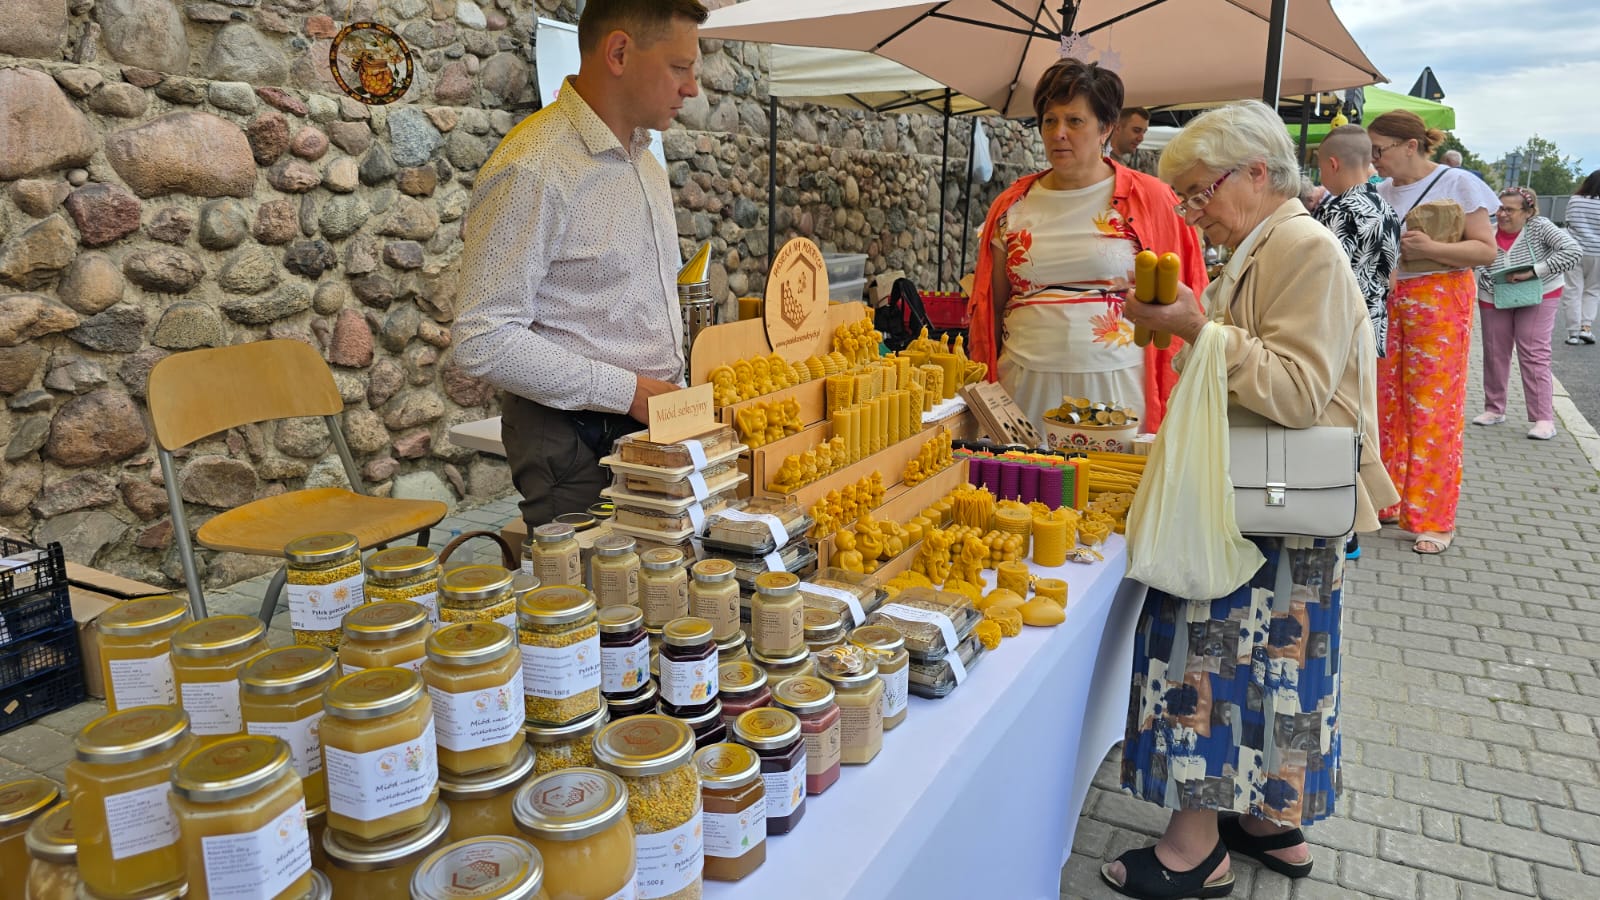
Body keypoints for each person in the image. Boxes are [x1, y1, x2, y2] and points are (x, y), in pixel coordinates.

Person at [1102, 100, 1398, 900]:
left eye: (1201, 190)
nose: (1193, 210)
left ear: (1257, 172)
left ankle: (1194, 849)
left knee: (1206, 656)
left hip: (1271, 505)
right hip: (1285, 506)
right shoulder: (1276, 242)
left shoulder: (1301, 246)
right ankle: (1267, 820)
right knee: (1282, 674)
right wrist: (1195, 325)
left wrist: (1198, 329)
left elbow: (1298, 391)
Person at [452, 0, 708, 527]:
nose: (692, 89)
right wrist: (629, 392)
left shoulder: (645, 159)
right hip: (576, 440)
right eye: (680, 68)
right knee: (588, 579)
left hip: (648, 423)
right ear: (619, 53)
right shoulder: (534, 167)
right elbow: (482, 338)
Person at [967, 59, 1206, 436]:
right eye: (1049, 121)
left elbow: (1191, 296)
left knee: (1116, 474)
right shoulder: (1011, 206)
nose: (1058, 133)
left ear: (1106, 128)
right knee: (1024, 473)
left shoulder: (1154, 199)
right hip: (1024, 383)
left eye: (1074, 121)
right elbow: (991, 308)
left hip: (1120, 384)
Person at [1369, 110, 1498, 555]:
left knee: (1433, 406)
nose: (1374, 159)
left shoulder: (1457, 183)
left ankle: (1434, 519)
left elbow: (1485, 249)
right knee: (1384, 405)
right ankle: (1387, 499)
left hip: (1441, 298)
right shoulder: (1379, 191)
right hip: (1390, 300)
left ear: (1411, 146)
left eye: (1380, 150)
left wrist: (1433, 248)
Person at [1313, 124, 1401, 561]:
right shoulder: (1385, 208)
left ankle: (1341, 525)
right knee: (1356, 427)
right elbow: (1391, 279)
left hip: (1335, 330)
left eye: (1319, 166)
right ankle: (1348, 522)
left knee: (1330, 426)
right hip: (1370, 329)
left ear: (1332, 163)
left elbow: (1321, 276)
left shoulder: (1338, 210)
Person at [1473, 187, 1582, 440]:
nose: (1502, 214)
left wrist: (1533, 271)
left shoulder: (1540, 227)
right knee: (1494, 351)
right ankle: (1494, 409)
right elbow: (1473, 258)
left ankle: (1544, 419)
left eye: (1509, 210)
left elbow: (1573, 252)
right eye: (1500, 208)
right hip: (1494, 293)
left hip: (1541, 292)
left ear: (1528, 212)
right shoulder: (1487, 230)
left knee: (1533, 351)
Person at [1560, 170, 1600, 344]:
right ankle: (1586, 328)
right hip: (1598, 253)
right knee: (1592, 291)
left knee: (1572, 290)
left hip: (1574, 251)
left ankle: (1572, 334)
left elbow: (1569, 223)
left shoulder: (1575, 200)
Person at [1110, 106, 1159, 175]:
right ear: (1118, 128)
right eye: (1136, 131)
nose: (1141, 139)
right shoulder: (1102, 164)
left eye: (1144, 132)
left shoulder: (1119, 164)